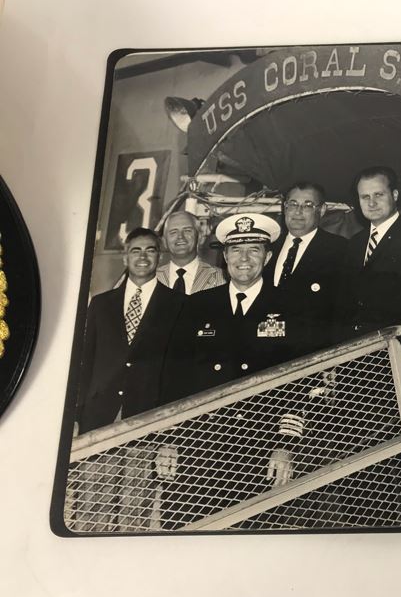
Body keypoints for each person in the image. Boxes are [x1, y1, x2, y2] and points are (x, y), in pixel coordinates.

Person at [159, 213, 302, 526]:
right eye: (236, 250)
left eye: (254, 249)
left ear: (268, 256)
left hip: (262, 451)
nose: (244, 258)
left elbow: (301, 384)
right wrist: (167, 439)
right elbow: (173, 378)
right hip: (197, 448)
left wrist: (286, 446)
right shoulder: (197, 307)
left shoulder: (292, 307)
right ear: (224, 256)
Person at [73, 227, 184, 531]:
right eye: (136, 250)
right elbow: (85, 363)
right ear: (125, 255)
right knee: (93, 503)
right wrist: (77, 415)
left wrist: (168, 430)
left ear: (159, 257)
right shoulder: (101, 304)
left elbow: (176, 372)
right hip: (99, 417)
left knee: (136, 507)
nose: (143, 256)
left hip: (146, 417)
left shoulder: (178, 305)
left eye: (150, 250)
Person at [338, 166, 401, 338]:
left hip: (395, 347)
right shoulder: (355, 243)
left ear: (394, 195)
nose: (372, 203)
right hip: (354, 350)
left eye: (379, 194)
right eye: (365, 197)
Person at [264, 181, 347, 356]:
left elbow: (344, 314)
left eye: (308, 205)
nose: (298, 212)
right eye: (292, 204)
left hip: (314, 359)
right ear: (284, 207)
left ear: (322, 210)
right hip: (266, 356)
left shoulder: (340, 251)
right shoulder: (266, 249)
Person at [156, 210, 225, 294]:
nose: (180, 236)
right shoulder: (152, 278)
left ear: (200, 237)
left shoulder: (221, 278)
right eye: (173, 232)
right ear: (164, 241)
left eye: (187, 230)